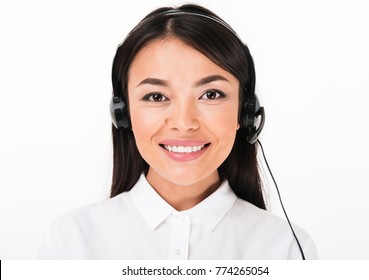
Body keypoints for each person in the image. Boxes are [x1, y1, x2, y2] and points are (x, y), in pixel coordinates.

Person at [38, 4, 317, 259]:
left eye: (211, 94)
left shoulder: (287, 248)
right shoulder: (69, 242)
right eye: (157, 97)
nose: (184, 123)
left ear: (245, 113)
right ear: (123, 113)